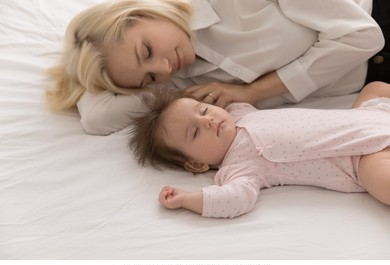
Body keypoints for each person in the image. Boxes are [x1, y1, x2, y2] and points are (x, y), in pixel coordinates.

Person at [45, 0, 389, 135]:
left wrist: (253, 91)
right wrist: (85, 64)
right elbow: (95, 119)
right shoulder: (177, 79)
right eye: (148, 76)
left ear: (142, 11)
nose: (163, 67)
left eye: (146, 49)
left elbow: (363, 35)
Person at [128, 81, 390, 218]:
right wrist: (186, 199)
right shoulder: (238, 167)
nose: (207, 120)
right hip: (359, 158)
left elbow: (225, 97)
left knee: (375, 88)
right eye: (195, 132)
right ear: (197, 164)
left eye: (203, 110)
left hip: (367, 116)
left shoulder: (240, 113)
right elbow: (234, 200)